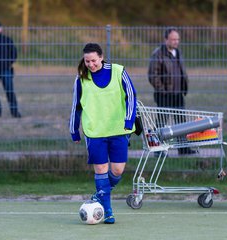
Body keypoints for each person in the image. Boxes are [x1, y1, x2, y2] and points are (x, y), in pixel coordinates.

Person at [69, 43, 137, 224]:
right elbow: (76, 105)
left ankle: (99, 194)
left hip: (119, 130)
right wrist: (74, 129)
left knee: (117, 170)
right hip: (95, 132)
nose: (90, 64)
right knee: (100, 169)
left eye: (93, 60)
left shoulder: (118, 71)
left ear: (101, 57)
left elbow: (132, 95)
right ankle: (108, 211)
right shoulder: (81, 79)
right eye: (87, 61)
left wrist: (129, 120)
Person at [148, 27, 196, 155]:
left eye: (177, 39)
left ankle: (183, 149)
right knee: (161, 123)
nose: (176, 42)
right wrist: (163, 90)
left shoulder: (178, 53)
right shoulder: (158, 54)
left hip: (178, 94)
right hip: (164, 95)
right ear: (165, 40)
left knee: (181, 123)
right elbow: (153, 76)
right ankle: (158, 150)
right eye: (173, 39)